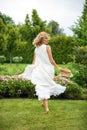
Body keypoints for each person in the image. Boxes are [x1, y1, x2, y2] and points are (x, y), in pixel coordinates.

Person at [19, 32, 66, 114]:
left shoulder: (36, 48)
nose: (48, 40)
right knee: (46, 86)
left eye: (48, 38)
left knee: (42, 86)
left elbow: (34, 61)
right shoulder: (47, 47)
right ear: (41, 39)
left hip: (39, 69)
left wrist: (32, 68)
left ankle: (44, 104)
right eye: (46, 38)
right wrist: (58, 67)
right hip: (48, 69)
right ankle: (46, 106)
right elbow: (51, 60)